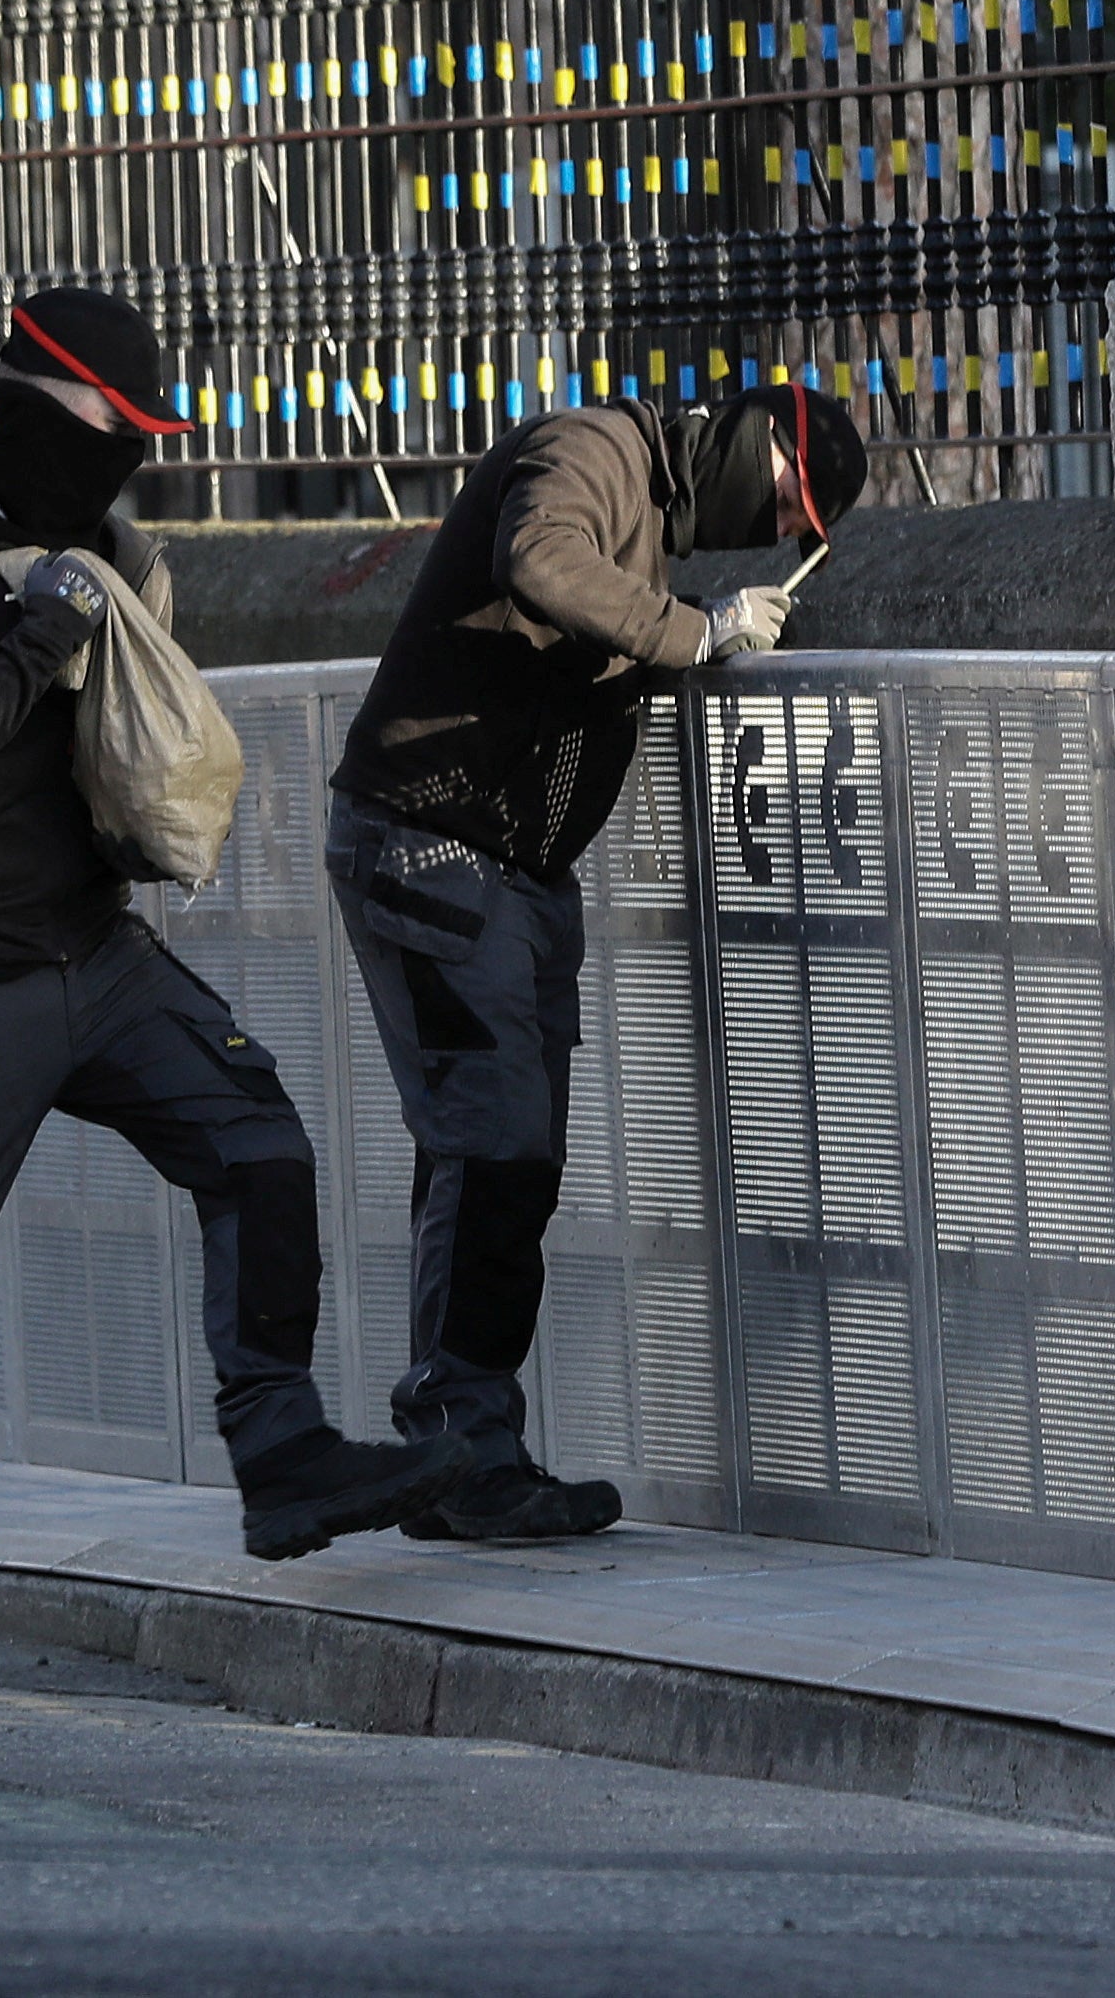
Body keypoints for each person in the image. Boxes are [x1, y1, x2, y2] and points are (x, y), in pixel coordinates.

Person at [0, 287, 465, 1678]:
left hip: (96, 951)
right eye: (121, 429)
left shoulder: (101, 554)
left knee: (257, 1139)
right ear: (48, 409)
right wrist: (42, 636)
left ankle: (280, 1450)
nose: (133, 460)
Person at [322, 379, 868, 1540]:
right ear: (753, 433)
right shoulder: (594, 449)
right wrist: (697, 631)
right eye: (782, 491)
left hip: (500, 868)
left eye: (792, 525)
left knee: (498, 1157)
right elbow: (537, 558)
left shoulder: (647, 521)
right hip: (433, 845)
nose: (769, 522)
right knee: (494, 1142)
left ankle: (459, 1447)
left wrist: (686, 626)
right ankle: (459, 1446)